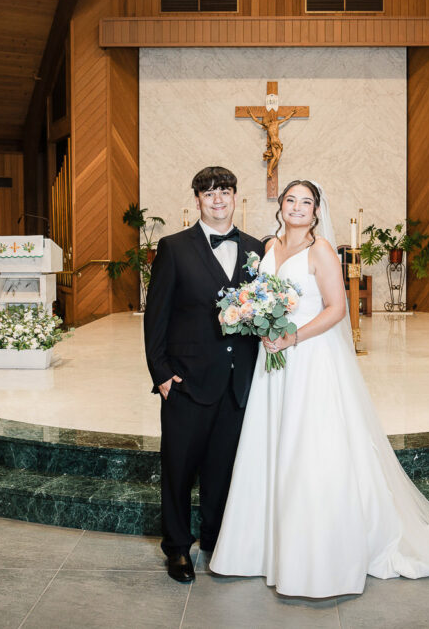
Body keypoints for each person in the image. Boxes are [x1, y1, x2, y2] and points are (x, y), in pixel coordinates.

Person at [209, 180, 429, 598]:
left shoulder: (322, 250)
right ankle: (263, 550)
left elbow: (337, 309)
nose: (298, 207)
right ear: (280, 206)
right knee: (271, 444)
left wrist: (291, 336)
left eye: (307, 202)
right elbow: (261, 297)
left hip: (310, 360)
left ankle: (317, 558)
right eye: (291, 200)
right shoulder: (269, 248)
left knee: (308, 448)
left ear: (316, 212)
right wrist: (257, 321)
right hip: (273, 363)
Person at [143, 166, 265, 583]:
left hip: (237, 382)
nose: (217, 199)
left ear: (235, 197)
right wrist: (161, 374)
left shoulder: (255, 249)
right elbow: (155, 316)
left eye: (225, 192)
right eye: (208, 193)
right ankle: (177, 548)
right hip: (186, 381)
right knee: (179, 468)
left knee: (223, 469)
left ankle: (216, 541)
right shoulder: (174, 247)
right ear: (197, 200)